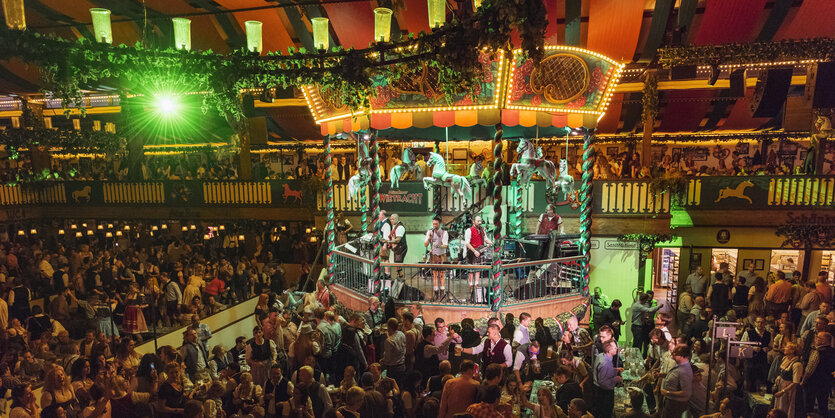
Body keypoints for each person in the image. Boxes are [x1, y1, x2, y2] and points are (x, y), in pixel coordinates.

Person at [801, 332, 835, 417]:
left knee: (808, 406)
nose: (815, 339)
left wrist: (803, 381)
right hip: (826, 383)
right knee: (823, 406)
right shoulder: (833, 351)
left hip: (813, 382)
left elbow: (810, 369)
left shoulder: (817, 352)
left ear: (823, 341)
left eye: (818, 338)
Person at [659, 344, 693, 418]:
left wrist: (667, 392)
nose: (671, 354)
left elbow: (686, 393)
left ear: (682, 355)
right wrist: (660, 375)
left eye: (674, 353)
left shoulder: (685, 371)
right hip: (671, 403)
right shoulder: (679, 365)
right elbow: (674, 377)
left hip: (676, 406)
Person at [463, 215, 491, 301]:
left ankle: (476, 285)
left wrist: (491, 242)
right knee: (471, 271)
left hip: (480, 252)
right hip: (471, 252)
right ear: (473, 221)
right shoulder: (469, 230)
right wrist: (474, 251)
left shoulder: (482, 230)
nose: (480, 222)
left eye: (480, 221)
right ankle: (471, 286)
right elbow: (467, 243)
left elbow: (486, 239)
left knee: (478, 270)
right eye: (478, 221)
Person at [591, 340, 621, 418]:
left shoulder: (601, 355)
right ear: (609, 350)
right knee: (605, 413)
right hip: (604, 393)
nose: (617, 349)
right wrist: (616, 379)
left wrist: (615, 370)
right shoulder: (605, 363)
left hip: (599, 391)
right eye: (614, 348)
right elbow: (603, 382)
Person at [423, 217, 449, 302]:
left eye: (436, 224)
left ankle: (442, 293)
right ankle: (436, 293)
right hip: (433, 255)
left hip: (442, 255)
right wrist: (429, 238)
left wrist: (438, 246)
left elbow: (445, 245)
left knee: (442, 275)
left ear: (440, 224)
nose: (434, 225)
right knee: (435, 275)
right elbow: (425, 244)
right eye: (433, 224)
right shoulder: (430, 232)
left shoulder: (444, 232)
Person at [631, 292, 661, 357]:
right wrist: (659, 306)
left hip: (647, 325)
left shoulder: (654, 302)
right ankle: (635, 358)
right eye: (648, 298)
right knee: (637, 344)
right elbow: (649, 310)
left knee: (646, 342)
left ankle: (644, 357)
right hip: (639, 326)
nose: (649, 300)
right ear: (645, 299)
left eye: (651, 297)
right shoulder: (639, 305)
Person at [380, 317, 406, 384]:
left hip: (393, 369)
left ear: (388, 326)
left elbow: (388, 358)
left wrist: (381, 361)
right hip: (402, 365)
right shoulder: (401, 334)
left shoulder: (389, 341)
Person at [382, 213, 407, 279]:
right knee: (396, 264)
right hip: (397, 248)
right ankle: (399, 277)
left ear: (397, 219)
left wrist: (388, 241)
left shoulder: (400, 227)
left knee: (398, 264)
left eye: (393, 219)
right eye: (390, 219)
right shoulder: (395, 226)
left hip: (401, 248)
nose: (391, 220)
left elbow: (398, 240)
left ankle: (401, 278)